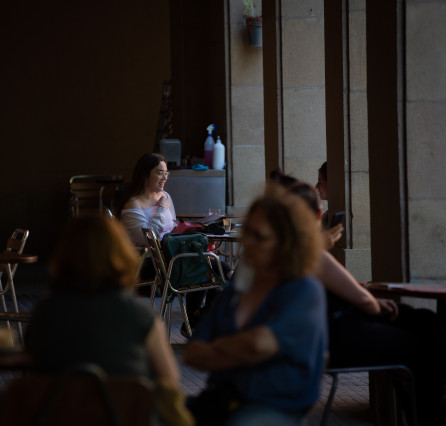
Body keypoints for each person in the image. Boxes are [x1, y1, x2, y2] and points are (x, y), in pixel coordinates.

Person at [277, 171, 446, 425]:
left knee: (422, 319)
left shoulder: (283, 255)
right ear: (312, 218)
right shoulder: (309, 254)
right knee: (417, 343)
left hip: (321, 337)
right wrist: (376, 306)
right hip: (337, 338)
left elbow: (341, 288)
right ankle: (440, 406)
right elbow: (361, 299)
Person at [26, 214, 193, 426]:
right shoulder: (140, 316)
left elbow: (34, 369)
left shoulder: (44, 313)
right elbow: (170, 381)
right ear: (120, 255)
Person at [183, 184, 327, 426]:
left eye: (259, 236)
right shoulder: (240, 288)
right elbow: (192, 352)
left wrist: (217, 348)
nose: (247, 241)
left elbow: (260, 344)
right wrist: (249, 353)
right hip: (220, 400)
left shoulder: (304, 290)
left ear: (287, 242)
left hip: (273, 406)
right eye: (247, 231)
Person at [120, 152, 226, 336]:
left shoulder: (165, 196)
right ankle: (196, 320)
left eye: (166, 173)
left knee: (218, 268)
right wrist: (161, 209)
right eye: (160, 173)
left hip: (174, 257)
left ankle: (196, 318)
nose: (165, 178)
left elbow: (173, 228)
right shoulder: (133, 205)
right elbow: (148, 237)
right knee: (216, 267)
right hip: (151, 262)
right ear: (145, 174)